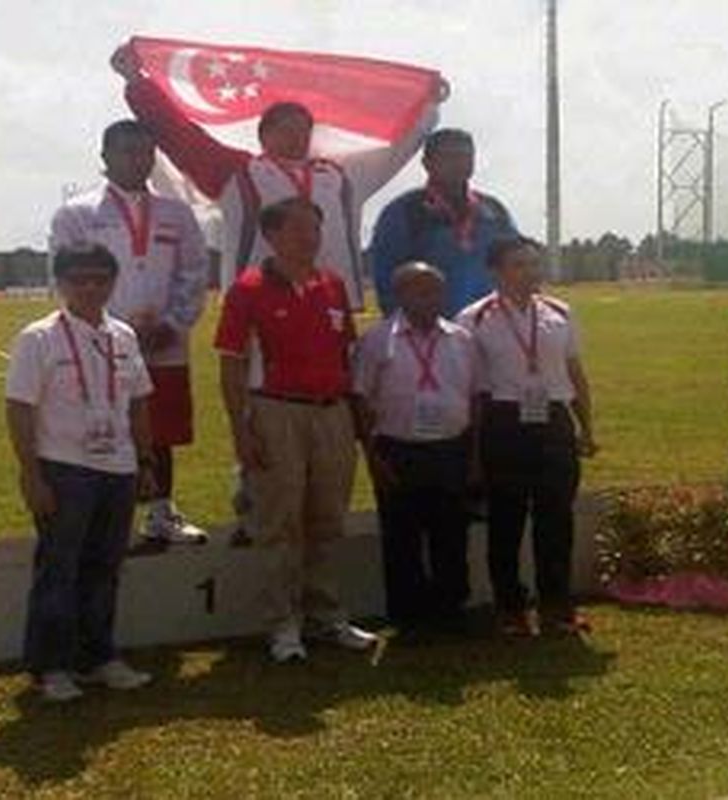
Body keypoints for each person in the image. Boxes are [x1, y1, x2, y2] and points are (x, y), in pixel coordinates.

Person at [117, 61, 439, 306]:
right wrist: (137, 83)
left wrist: (429, 108)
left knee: (330, 391)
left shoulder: (342, 177)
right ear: (263, 135)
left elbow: (397, 149)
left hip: (333, 305)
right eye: (285, 129)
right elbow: (181, 137)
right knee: (260, 389)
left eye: (302, 129)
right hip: (258, 306)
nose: (295, 137)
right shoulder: (237, 173)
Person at [215, 197, 378, 663]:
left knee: (328, 518)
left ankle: (327, 615)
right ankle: (282, 624)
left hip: (332, 413)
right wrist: (241, 431)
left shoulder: (333, 284)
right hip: (276, 412)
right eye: (298, 228)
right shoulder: (248, 289)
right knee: (280, 520)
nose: (310, 237)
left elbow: (346, 353)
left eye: (315, 228)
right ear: (272, 235)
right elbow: (231, 365)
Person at [5, 243, 157, 702]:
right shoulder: (38, 338)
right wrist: (31, 475)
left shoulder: (124, 336)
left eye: (99, 279)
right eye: (78, 279)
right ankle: (51, 666)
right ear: (62, 283)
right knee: (59, 568)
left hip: (119, 468)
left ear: (113, 282)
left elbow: (139, 403)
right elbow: (19, 408)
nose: (90, 287)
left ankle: (98, 656)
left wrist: (146, 463)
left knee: (105, 568)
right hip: (64, 469)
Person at [50, 120, 210, 546]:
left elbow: (194, 272)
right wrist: (113, 328)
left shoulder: (176, 213)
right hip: (100, 342)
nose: (137, 160)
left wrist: (173, 324)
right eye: (126, 151)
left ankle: (161, 512)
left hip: (165, 342)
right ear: (104, 156)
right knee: (103, 423)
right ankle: (103, 516)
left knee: (160, 428)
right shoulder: (77, 213)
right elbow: (66, 274)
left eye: (145, 152)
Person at [458, 236, 597, 638]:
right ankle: (511, 609)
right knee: (506, 520)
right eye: (519, 265)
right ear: (496, 271)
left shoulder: (559, 312)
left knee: (556, 518)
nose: (530, 272)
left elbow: (575, 373)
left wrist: (586, 427)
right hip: (504, 422)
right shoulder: (474, 318)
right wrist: (473, 449)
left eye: (534, 264)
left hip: (553, 420)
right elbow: (471, 389)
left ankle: (557, 607)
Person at [354, 262, 478, 628]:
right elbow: (360, 400)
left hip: (450, 448)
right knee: (401, 538)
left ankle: (451, 610)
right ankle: (409, 617)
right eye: (420, 290)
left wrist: (473, 457)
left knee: (451, 534)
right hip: (397, 450)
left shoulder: (462, 339)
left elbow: (476, 399)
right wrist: (373, 458)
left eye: (437, 290)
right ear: (399, 295)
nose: (431, 298)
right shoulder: (376, 340)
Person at [371, 129, 517, 317]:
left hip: (490, 329)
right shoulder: (404, 212)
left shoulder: (495, 212)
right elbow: (388, 284)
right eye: (449, 156)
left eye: (465, 156)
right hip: (433, 334)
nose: (458, 163)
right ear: (427, 163)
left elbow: (518, 268)